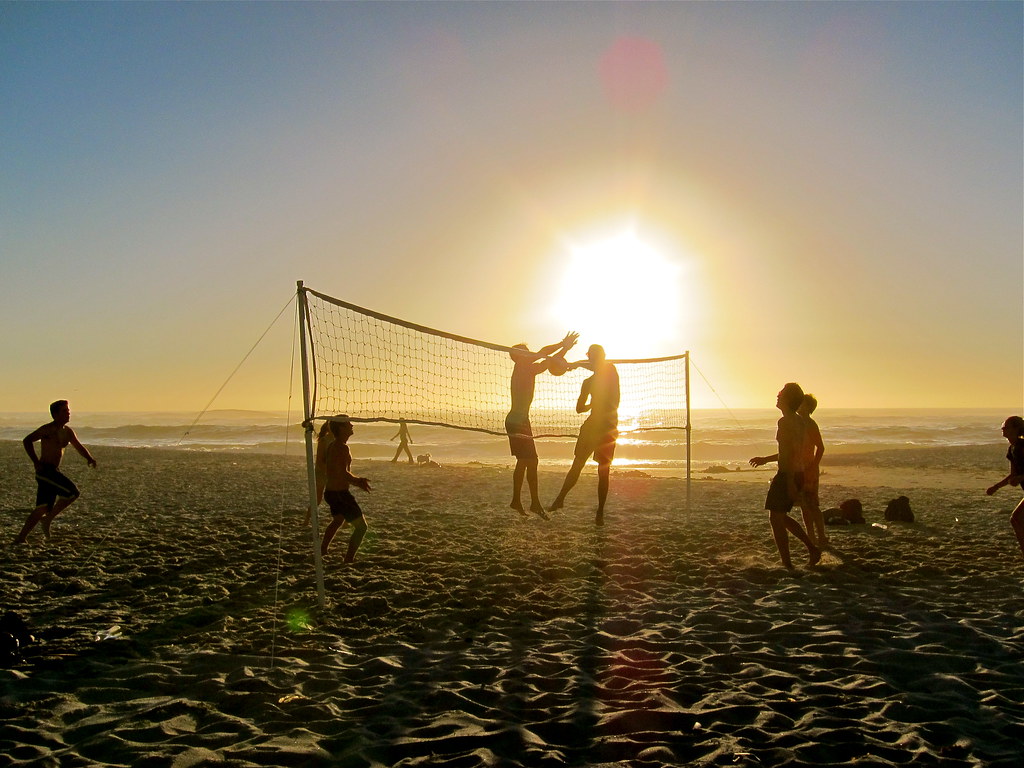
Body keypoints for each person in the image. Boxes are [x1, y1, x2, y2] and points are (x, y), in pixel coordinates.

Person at [506, 331, 578, 518]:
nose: (531, 354)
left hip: (520, 420)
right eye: (527, 352)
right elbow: (544, 352)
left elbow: (549, 361)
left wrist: (564, 351)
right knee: (530, 461)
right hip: (516, 421)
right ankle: (533, 503)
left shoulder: (529, 369)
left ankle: (518, 501)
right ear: (519, 356)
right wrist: (563, 343)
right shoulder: (522, 366)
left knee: (525, 462)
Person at [749, 383, 821, 571]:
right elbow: (789, 451)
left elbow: (789, 454)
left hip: (788, 474)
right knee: (778, 517)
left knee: (776, 518)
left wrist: (788, 481)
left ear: (788, 399)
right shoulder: (798, 420)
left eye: (781, 394)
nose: (778, 395)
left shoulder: (785, 422)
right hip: (797, 473)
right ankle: (811, 549)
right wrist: (766, 459)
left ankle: (789, 563)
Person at [549, 344, 619, 525]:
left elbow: (581, 408)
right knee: (585, 466)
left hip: (603, 426)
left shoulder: (608, 371)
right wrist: (593, 405)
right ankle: (563, 501)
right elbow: (580, 408)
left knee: (599, 469)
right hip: (602, 426)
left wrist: (579, 364)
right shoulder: (595, 378)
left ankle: (593, 510)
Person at [14, 400, 97, 544]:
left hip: (53, 471)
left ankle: (21, 538)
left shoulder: (68, 431)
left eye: (68, 410)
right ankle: (47, 520)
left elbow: (78, 446)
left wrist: (89, 458)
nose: (68, 413)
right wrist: (36, 462)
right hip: (45, 471)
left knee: (43, 507)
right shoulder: (47, 429)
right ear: (55, 414)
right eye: (64, 411)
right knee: (72, 492)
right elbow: (27, 441)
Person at [319, 415, 372, 563]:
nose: (352, 425)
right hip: (339, 494)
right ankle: (349, 559)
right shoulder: (341, 447)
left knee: (338, 520)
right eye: (348, 424)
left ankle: (322, 549)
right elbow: (341, 472)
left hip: (330, 492)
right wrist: (358, 481)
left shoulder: (333, 445)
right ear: (342, 428)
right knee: (362, 527)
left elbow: (330, 466)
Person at [986, 415, 1024, 559]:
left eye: (1006, 426)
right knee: (1016, 519)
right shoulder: (1011, 449)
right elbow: (1013, 474)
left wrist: (1021, 478)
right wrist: (996, 487)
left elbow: (1019, 475)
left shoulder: (1022, 446)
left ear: (1015, 429)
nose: (1003, 428)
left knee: (1016, 518)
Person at [303, 421, 334, 527]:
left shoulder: (338, 440)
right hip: (322, 472)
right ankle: (307, 520)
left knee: (339, 495)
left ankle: (344, 521)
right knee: (317, 498)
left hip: (332, 472)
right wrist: (328, 470)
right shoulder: (324, 440)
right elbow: (320, 461)